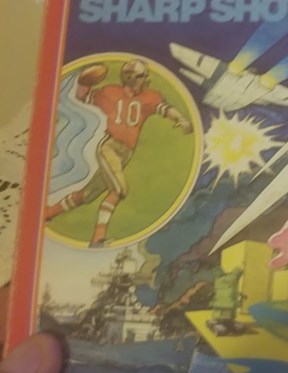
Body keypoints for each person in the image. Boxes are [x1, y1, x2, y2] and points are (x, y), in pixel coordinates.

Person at [44, 59, 193, 248]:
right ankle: (97, 238)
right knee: (119, 189)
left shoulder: (150, 96)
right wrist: (84, 82)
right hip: (110, 148)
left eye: (143, 75)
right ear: (128, 78)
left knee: (87, 195)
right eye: (138, 76)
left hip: (125, 154)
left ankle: (47, 213)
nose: (143, 80)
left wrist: (181, 118)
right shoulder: (110, 93)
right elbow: (83, 96)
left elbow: (165, 108)